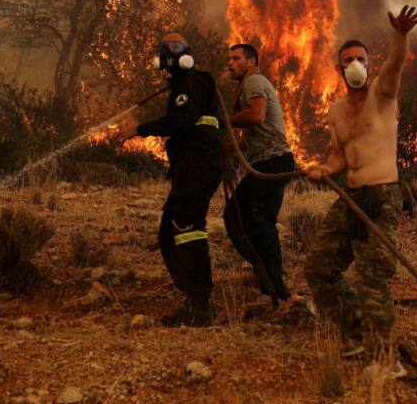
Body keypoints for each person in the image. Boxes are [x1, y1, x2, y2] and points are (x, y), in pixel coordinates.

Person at [304, 5, 417, 357]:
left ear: (370, 63)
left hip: (381, 195)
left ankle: (385, 360)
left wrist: (400, 34)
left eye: (360, 58)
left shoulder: (383, 94)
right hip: (351, 197)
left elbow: (397, 63)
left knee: (372, 279)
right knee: (319, 267)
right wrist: (324, 169)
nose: (355, 64)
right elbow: (339, 154)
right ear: (338, 68)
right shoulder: (337, 110)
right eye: (348, 59)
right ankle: (353, 334)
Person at [119, 33, 223, 327]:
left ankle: (200, 303)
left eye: (177, 47)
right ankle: (193, 296)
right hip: (188, 165)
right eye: (166, 49)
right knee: (168, 233)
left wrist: (140, 129)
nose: (171, 53)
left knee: (187, 225)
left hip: (198, 163)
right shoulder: (181, 86)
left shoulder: (195, 81)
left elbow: (182, 122)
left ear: (187, 53)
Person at [222, 43, 300, 310]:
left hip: (273, 162)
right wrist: (226, 146)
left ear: (251, 60)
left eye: (236, 58)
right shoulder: (249, 83)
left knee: (261, 222)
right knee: (235, 215)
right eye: (228, 59)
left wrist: (223, 120)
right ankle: (264, 274)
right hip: (266, 161)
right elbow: (251, 137)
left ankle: (277, 291)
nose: (230, 63)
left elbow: (256, 116)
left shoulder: (253, 80)